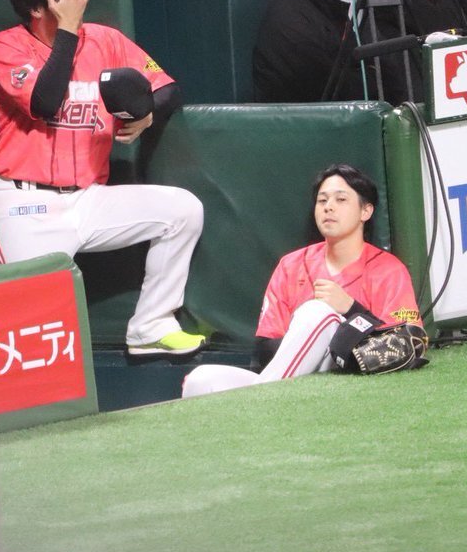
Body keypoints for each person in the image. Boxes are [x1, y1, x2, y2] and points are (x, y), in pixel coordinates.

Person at [0, 0, 207, 357]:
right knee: (32, 341)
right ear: (37, 7)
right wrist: (66, 31)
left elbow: (167, 88)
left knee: (182, 210)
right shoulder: (6, 47)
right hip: (24, 205)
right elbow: (45, 102)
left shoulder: (104, 39)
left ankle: (151, 326)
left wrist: (148, 114)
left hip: (88, 199)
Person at [181, 164, 423, 398]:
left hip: (346, 380)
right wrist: (305, 341)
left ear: (365, 211)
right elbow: (266, 348)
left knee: (319, 312)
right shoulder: (291, 265)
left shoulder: (388, 269)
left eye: (341, 199)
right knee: (201, 380)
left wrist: (351, 309)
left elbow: (409, 342)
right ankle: (266, 403)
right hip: (290, 378)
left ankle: (263, 403)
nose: (329, 207)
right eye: (322, 200)